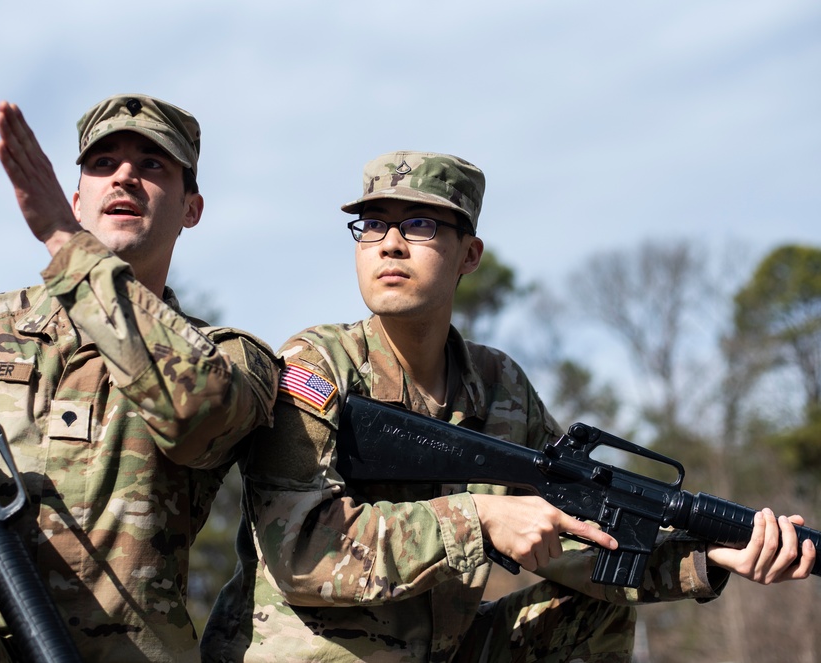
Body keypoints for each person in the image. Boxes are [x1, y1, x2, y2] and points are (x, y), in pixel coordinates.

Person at [200, 151, 816, 662]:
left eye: (420, 225)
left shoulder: (501, 387)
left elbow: (576, 535)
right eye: (372, 225)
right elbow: (301, 552)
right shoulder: (317, 365)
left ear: (469, 255)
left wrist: (704, 558)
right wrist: (480, 519)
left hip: (442, 650)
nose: (389, 246)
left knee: (593, 610)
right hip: (308, 654)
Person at [0, 94, 280, 662]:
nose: (125, 177)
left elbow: (197, 417)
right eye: (103, 163)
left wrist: (68, 247)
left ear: (191, 208)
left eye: (152, 165)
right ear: (77, 200)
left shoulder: (226, 356)